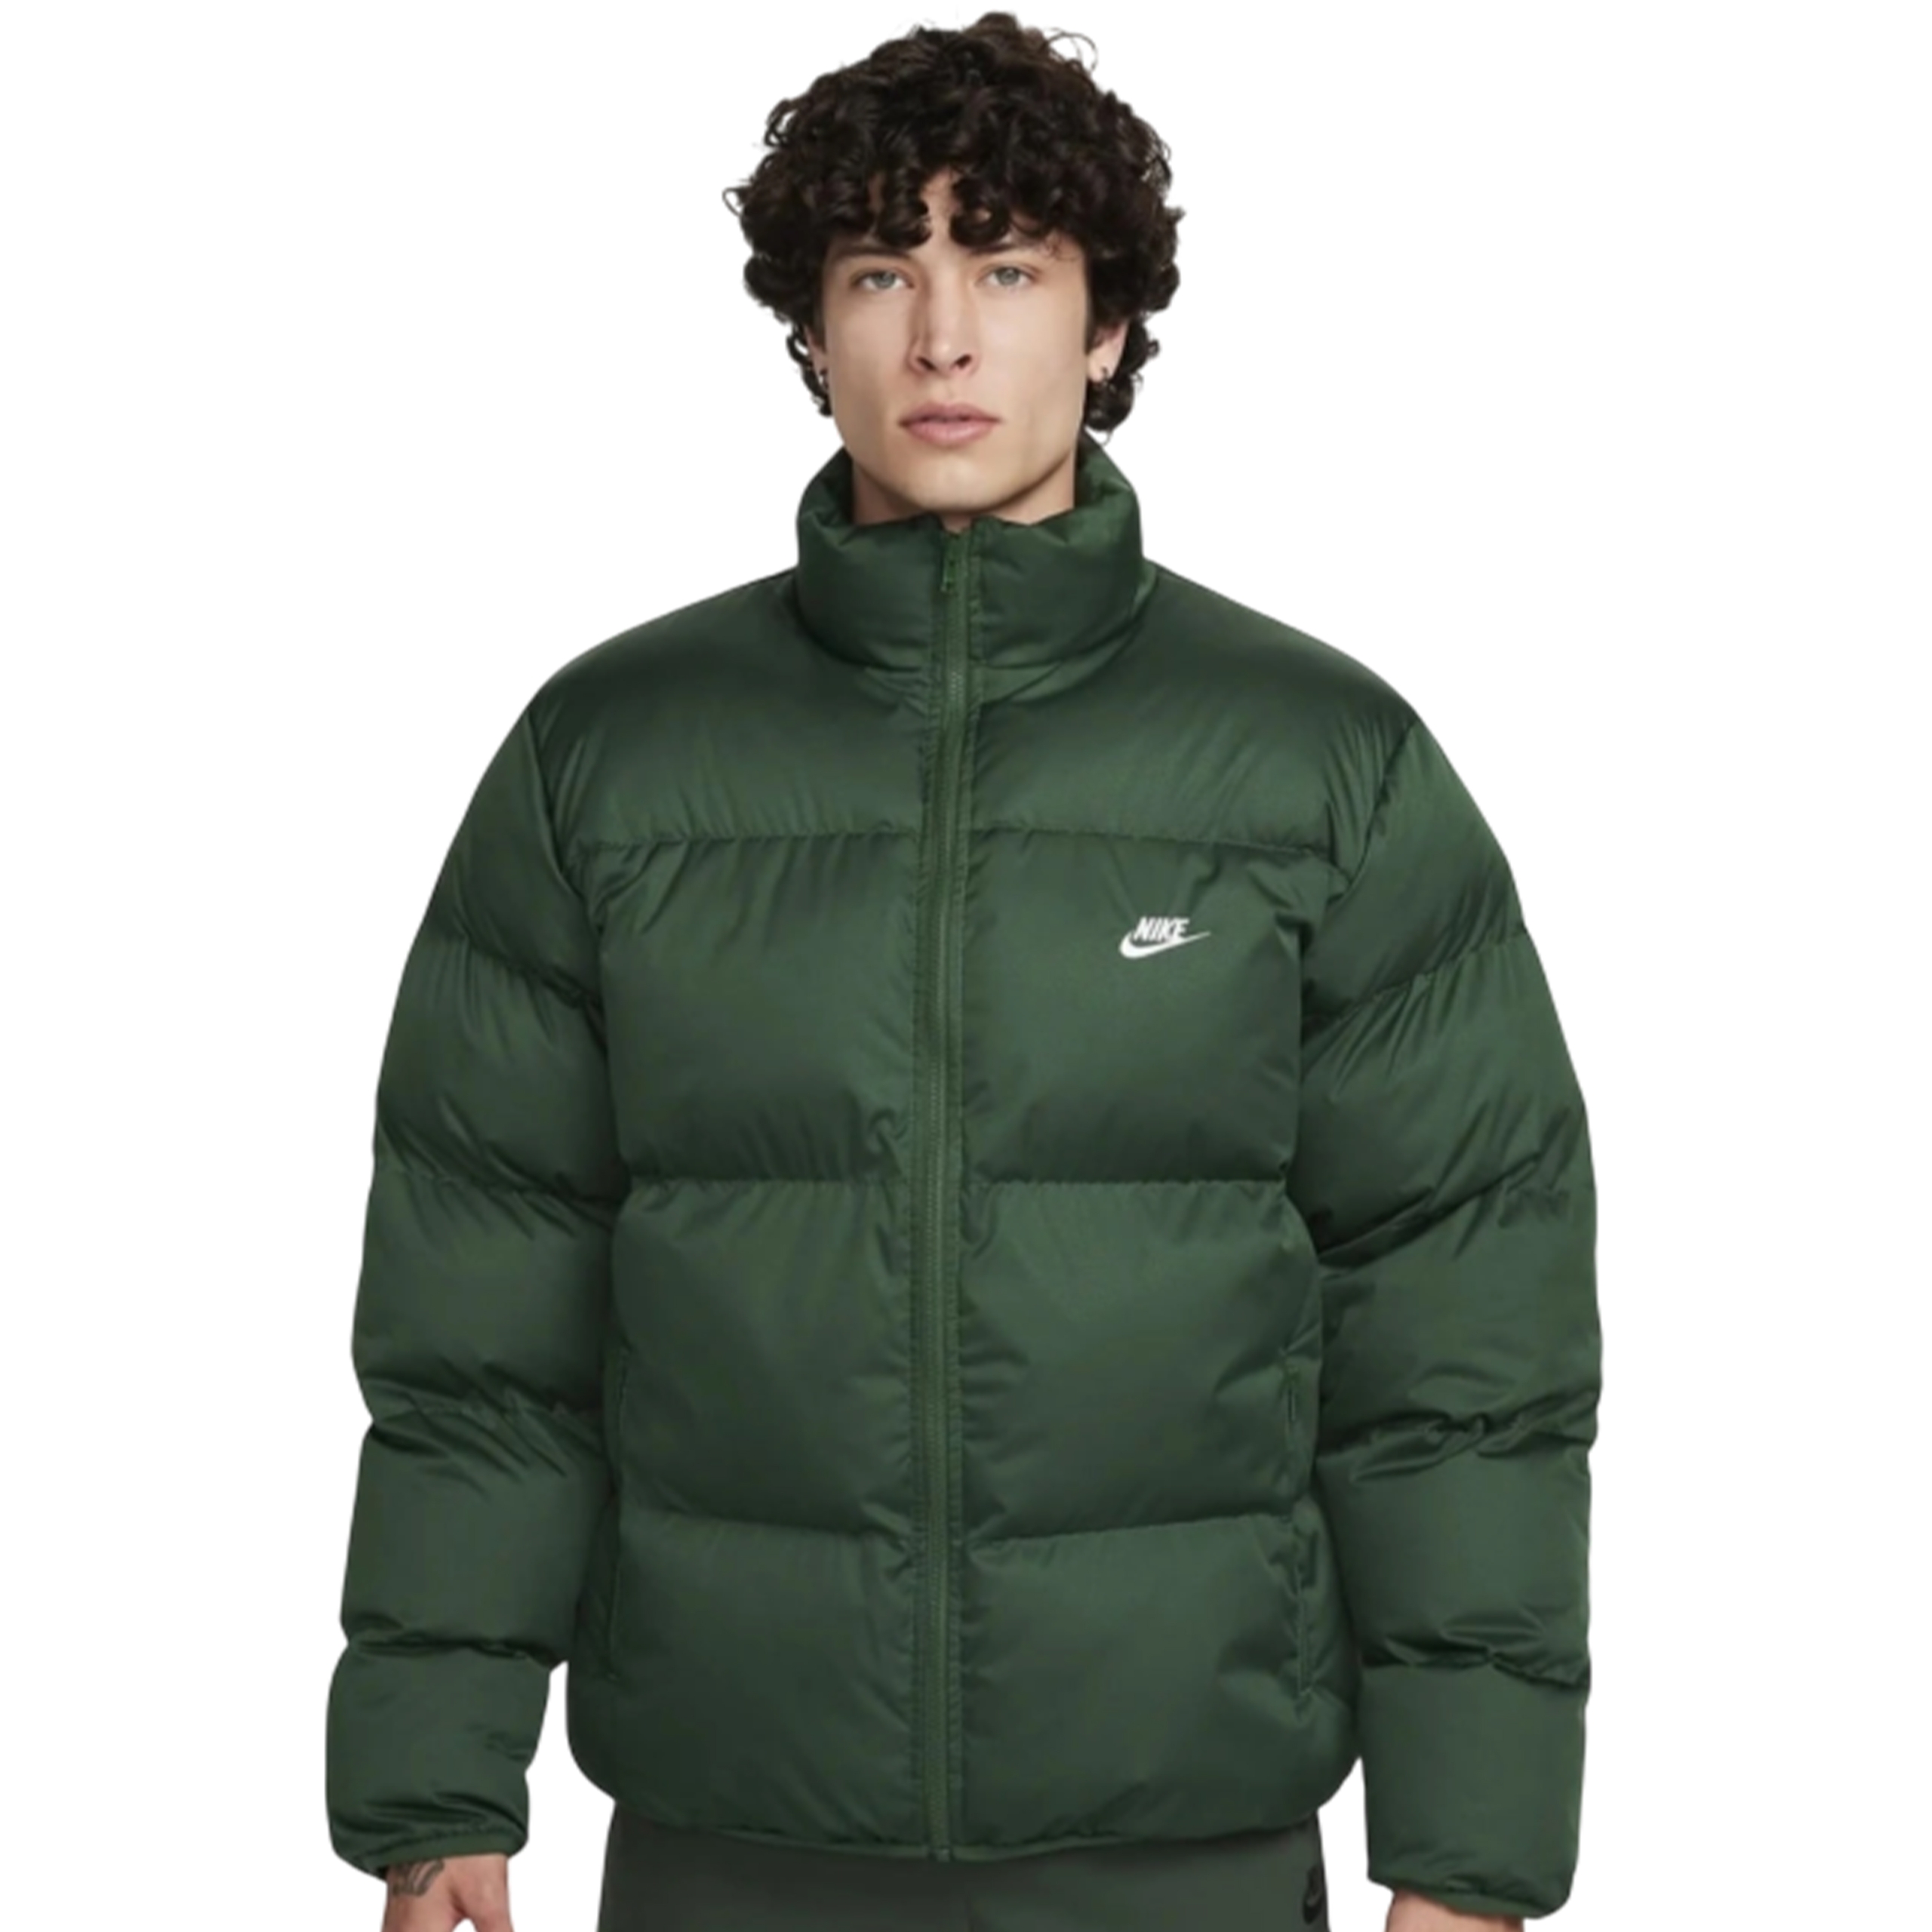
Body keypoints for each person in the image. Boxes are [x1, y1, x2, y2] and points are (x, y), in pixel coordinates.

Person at [324, 14, 1601, 1931]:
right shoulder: (612, 757)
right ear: (810, 327)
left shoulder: (1316, 764)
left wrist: (1467, 1855)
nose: (940, 336)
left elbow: (1464, 1346)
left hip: (1178, 1839)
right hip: (733, 1833)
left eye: (1004, 268)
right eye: (878, 271)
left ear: (1104, 326)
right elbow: (479, 1330)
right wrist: (436, 1789)